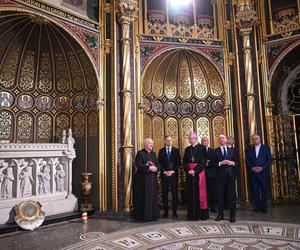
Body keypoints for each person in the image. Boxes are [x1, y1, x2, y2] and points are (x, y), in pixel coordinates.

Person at [133, 138, 160, 221]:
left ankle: (152, 216)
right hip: (143, 180)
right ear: (145, 144)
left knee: (152, 198)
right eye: (149, 143)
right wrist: (149, 168)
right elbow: (139, 165)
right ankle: (143, 216)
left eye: (152, 143)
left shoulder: (153, 154)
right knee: (143, 197)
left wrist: (156, 168)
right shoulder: (140, 153)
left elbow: (158, 164)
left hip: (152, 179)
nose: (151, 145)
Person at [183, 132, 208, 220]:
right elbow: (184, 162)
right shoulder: (187, 149)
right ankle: (191, 215)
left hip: (199, 173)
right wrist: (188, 170)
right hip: (190, 174)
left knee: (200, 194)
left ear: (195, 138)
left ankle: (202, 215)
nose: (189, 140)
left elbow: (203, 162)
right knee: (191, 194)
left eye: (191, 138)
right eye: (189, 138)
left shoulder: (202, 148)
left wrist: (195, 171)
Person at [214, 134, 238, 223]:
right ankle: (220, 215)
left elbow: (237, 163)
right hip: (220, 177)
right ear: (218, 140)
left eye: (223, 138)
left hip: (230, 176)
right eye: (219, 138)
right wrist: (221, 163)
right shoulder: (215, 151)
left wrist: (232, 163)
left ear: (226, 140)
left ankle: (232, 216)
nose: (221, 140)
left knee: (231, 197)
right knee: (220, 197)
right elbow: (213, 164)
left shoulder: (232, 150)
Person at [246, 134, 272, 213]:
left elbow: (269, 160)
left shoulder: (266, 148)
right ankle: (257, 206)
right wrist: (252, 168)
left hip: (263, 172)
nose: (255, 140)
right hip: (253, 173)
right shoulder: (250, 149)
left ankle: (264, 207)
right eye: (253, 139)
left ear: (260, 139)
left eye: (256, 138)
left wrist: (262, 168)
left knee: (264, 190)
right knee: (255, 190)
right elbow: (247, 160)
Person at [158, 135, 181, 218]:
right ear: (164, 142)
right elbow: (159, 163)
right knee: (164, 194)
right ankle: (166, 212)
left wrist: (172, 171)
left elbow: (178, 163)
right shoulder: (161, 151)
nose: (169, 142)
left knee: (175, 194)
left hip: (173, 175)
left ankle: (175, 212)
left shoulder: (176, 150)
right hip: (164, 175)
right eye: (167, 140)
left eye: (170, 140)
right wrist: (164, 171)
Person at [201, 137, 217, 213]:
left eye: (206, 140)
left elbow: (215, 162)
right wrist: (204, 164)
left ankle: (213, 207)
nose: (204, 142)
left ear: (208, 142)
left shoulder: (212, 151)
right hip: (201, 173)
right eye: (203, 140)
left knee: (212, 192)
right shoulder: (199, 151)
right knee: (203, 192)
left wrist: (208, 163)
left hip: (210, 174)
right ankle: (204, 207)